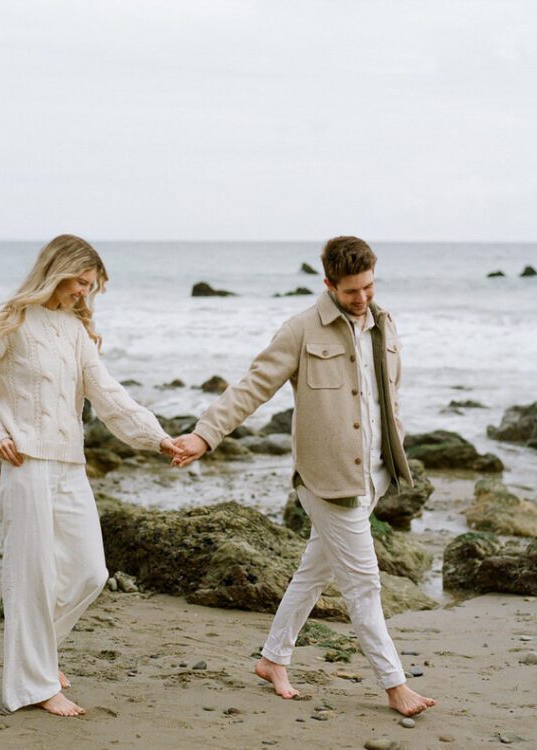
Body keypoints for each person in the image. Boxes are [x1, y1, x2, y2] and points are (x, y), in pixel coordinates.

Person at [173, 236, 436, 717]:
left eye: (370, 287)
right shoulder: (301, 331)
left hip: (374, 477)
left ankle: (273, 659)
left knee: (313, 573)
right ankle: (395, 685)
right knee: (364, 586)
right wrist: (204, 435)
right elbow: (252, 386)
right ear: (329, 285)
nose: (363, 299)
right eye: (353, 291)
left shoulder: (384, 324)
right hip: (327, 481)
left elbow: (386, 399)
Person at [0, 234, 182, 717]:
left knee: (89, 572)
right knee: (31, 577)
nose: (84, 293)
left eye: (90, 287)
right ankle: (36, 683)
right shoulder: (13, 322)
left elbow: (109, 395)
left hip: (70, 464)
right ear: (57, 270)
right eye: (81, 282)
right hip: (25, 462)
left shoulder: (75, 331)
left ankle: (36, 658)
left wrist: (158, 438)